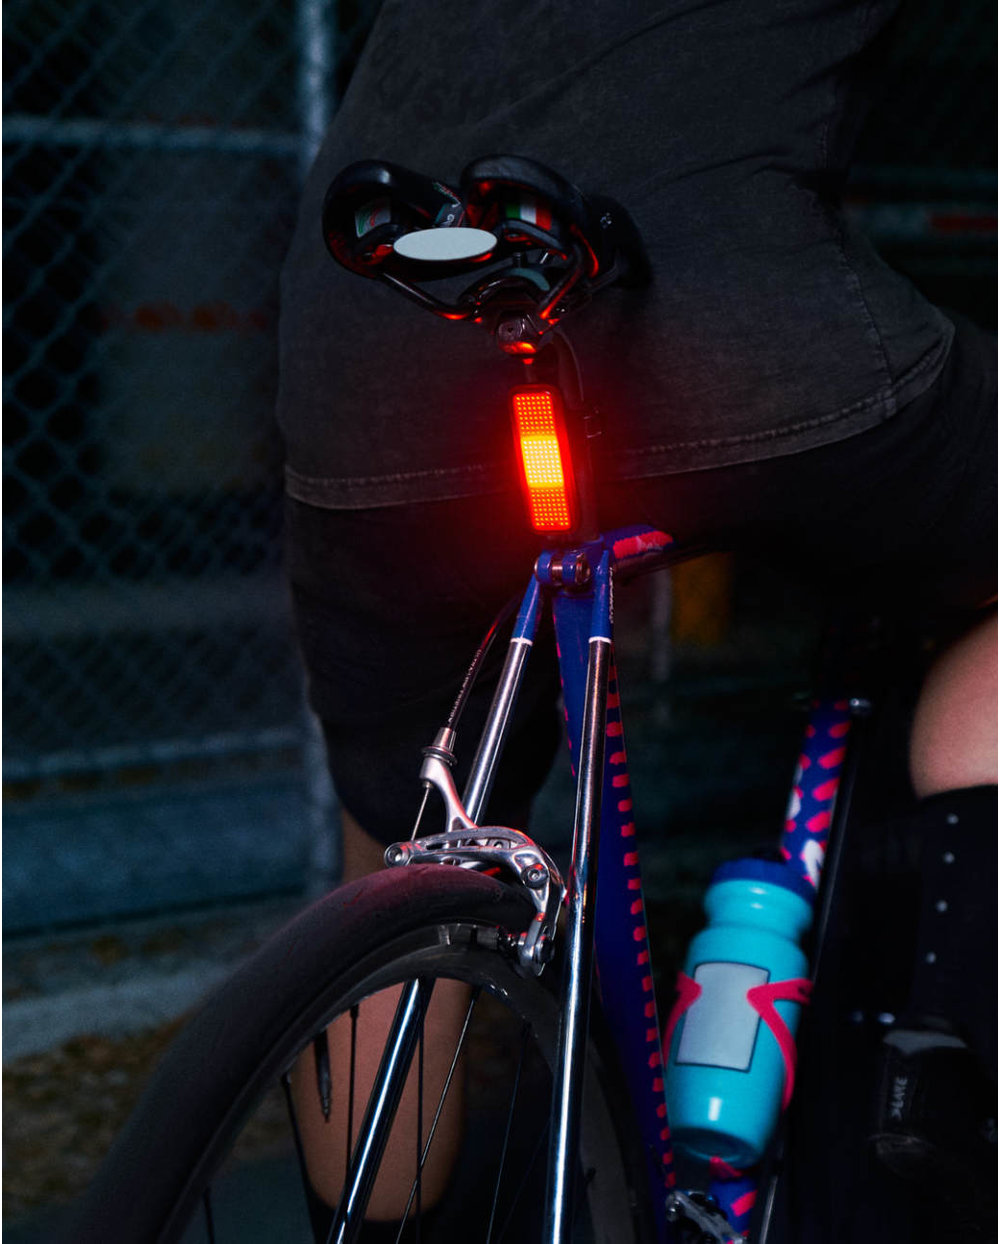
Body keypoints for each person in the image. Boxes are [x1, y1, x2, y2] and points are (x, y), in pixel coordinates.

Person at [276, 0, 996, 1235]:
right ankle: (951, 1093)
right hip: (724, 310)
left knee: (417, 822)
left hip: (378, 312)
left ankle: (362, 1214)